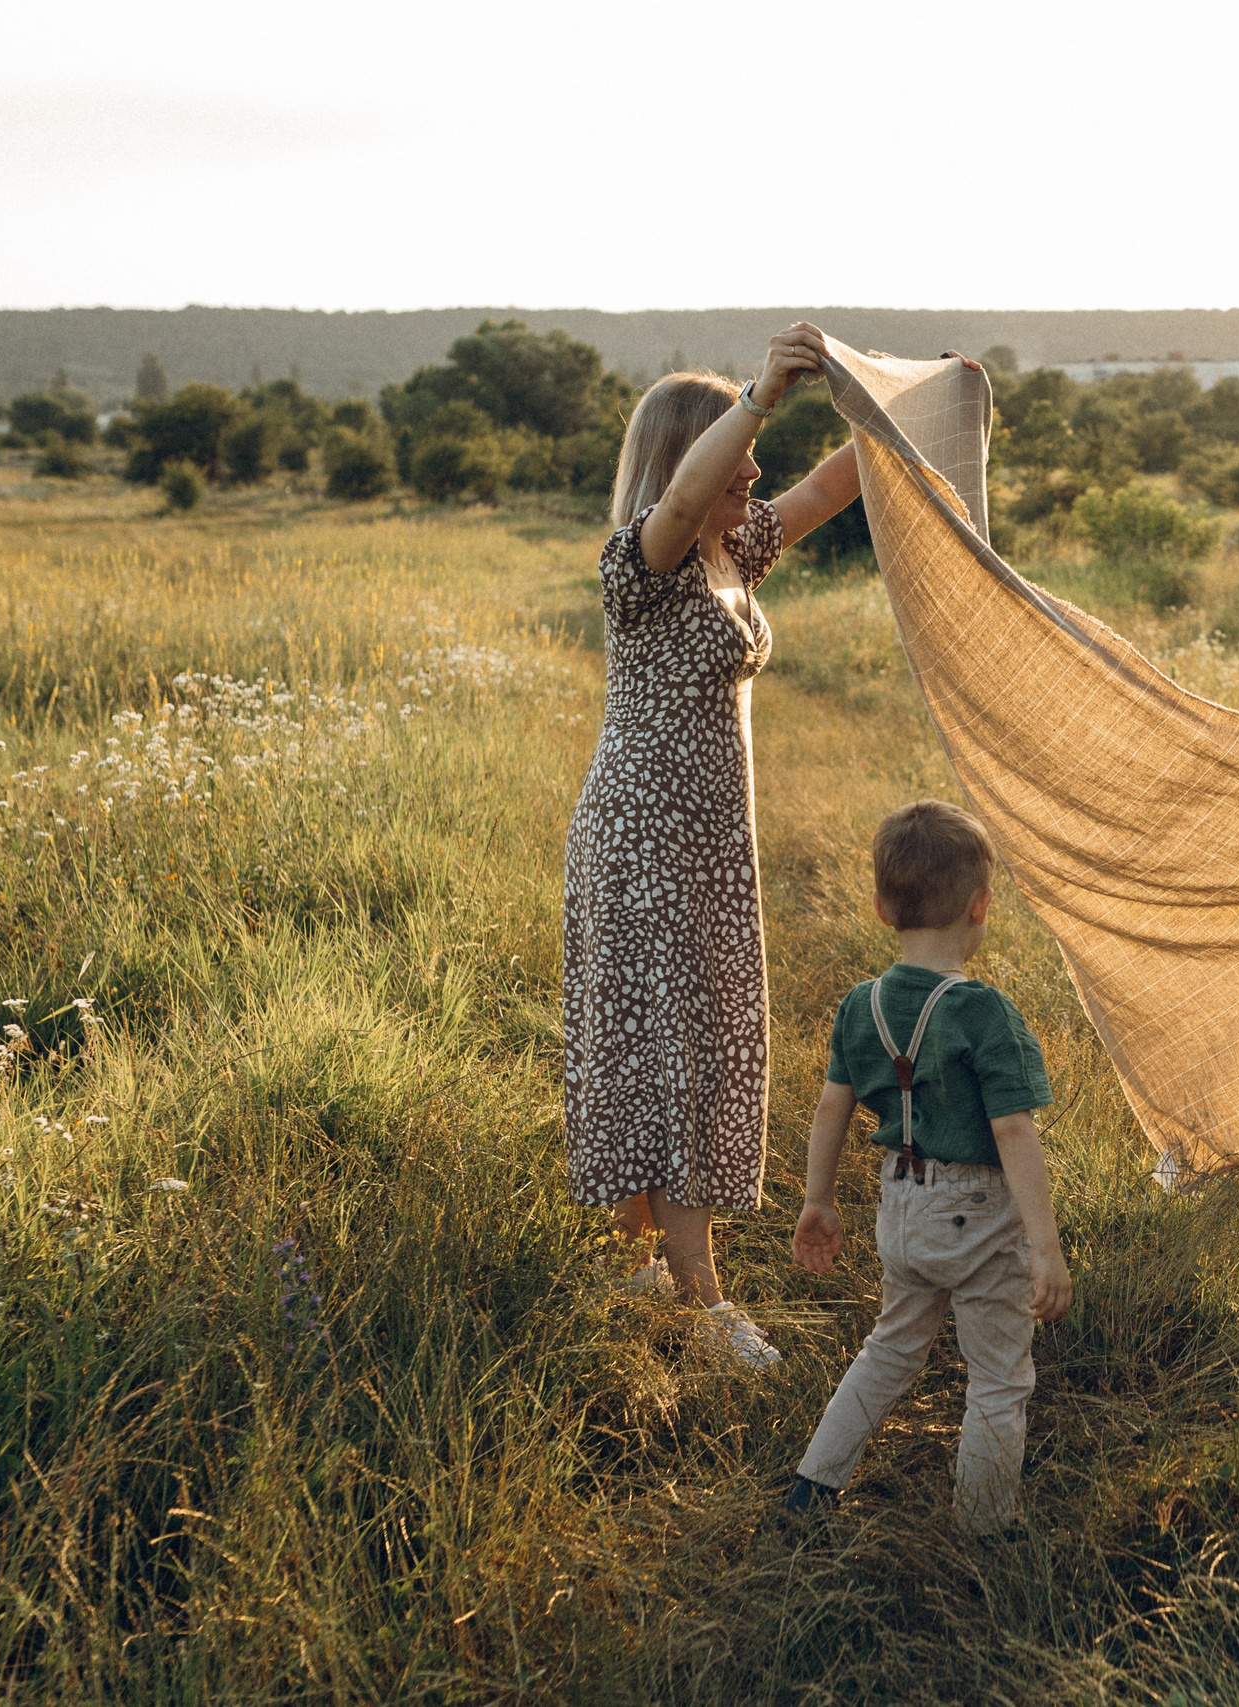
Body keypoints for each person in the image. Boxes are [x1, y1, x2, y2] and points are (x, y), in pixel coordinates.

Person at [561, 323, 860, 1368]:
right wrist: (760, 392)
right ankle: (701, 1302)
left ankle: (646, 1268)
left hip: (705, 844)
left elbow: (828, 489)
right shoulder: (638, 563)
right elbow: (684, 498)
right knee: (674, 1050)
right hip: (642, 841)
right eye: (741, 451)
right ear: (696, 452)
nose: (757, 469)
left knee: (679, 1042)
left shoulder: (737, 552)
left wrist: (900, 409)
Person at [785, 800, 1071, 1532]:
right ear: (982, 906)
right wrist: (1044, 1243)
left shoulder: (859, 1005)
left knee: (889, 1349)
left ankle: (813, 1484)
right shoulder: (985, 1013)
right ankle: (983, 1525)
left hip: (900, 1210)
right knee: (1000, 1376)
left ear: (882, 908)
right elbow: (1013, 1129)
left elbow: (829, 1108)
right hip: (978, 1218)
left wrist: (818, 1198)